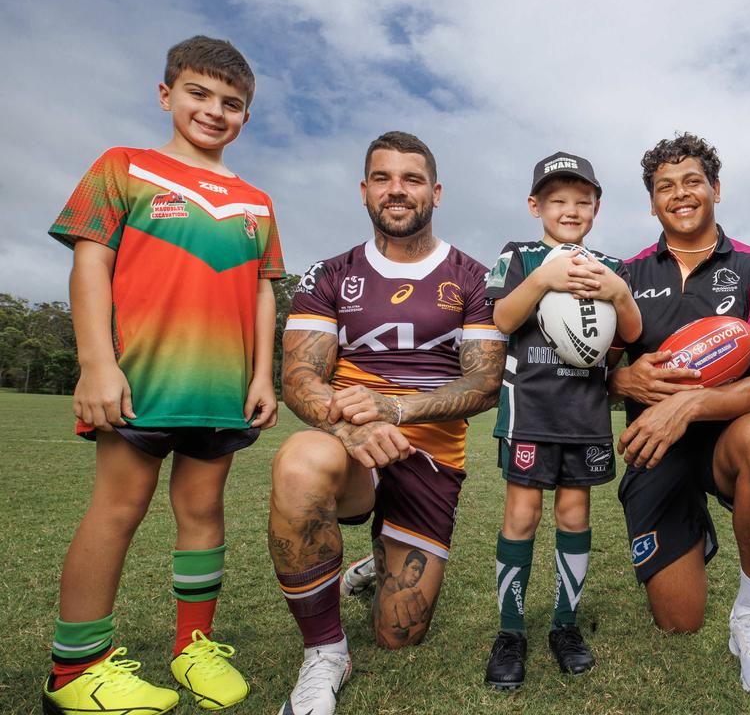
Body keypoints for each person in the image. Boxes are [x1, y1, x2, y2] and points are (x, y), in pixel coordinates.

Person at [42, 35, 281, 714]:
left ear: (245, 115)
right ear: (166, 94)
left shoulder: (256, 201)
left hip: (221, 387)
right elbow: (90, 260)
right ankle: (74, 668)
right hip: (139, 380)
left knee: (202, 512)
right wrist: (96, 362)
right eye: (199, 94)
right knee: (118, 508)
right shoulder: (124, 167)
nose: (214, 111)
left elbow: (264, 291)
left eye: (231, 103)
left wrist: (264, 376)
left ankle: (192, 647)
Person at [269, 131, 505, 715]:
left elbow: (484, 383)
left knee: (400, 635)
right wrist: (350, 428)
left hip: (431, 455)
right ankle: (324, 652)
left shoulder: (473, 277)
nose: (397, 190)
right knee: (300, 461)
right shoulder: (329, 274)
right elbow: (299, 378)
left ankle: (378, 559)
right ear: (364, 190)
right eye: (383, 178)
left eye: (412, 179)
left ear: (436, 191)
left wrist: (399, 408)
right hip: (352, 450)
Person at [609, 133, 750, 695]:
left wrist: (689, 404)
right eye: (665, 187)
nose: (681, 194)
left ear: (715, 189)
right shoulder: (625, 275)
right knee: (678, 621)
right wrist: (621, 378)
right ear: (651, 203)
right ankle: (693, 527)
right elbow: (593, 371)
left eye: (693, 181)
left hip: (728, 443)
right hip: (655, 449)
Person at [480, 152, 642, 689]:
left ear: (596, 207)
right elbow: (502, 318)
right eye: (557, 200)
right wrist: (546, 277)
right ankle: (511, 632)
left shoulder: (610, 266)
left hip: (585, 417)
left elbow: (632, 334)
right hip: (530, 412)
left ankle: (565, 626)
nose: (570, 210)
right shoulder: (519, 256)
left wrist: (618, 292)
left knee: (574, 517)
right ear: (535, 205)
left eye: (581, 201)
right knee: (522, 517)